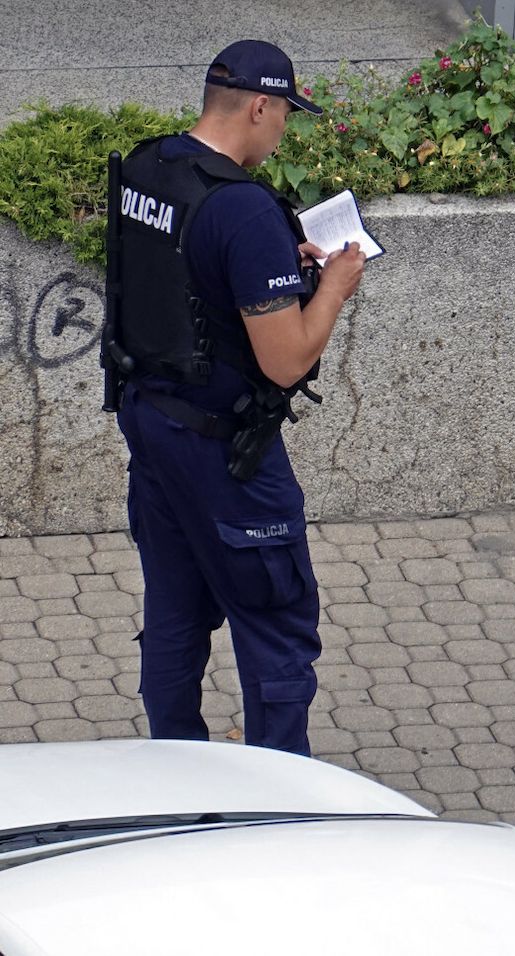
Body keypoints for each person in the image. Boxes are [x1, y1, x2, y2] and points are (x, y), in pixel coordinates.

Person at [106, 40, 366, 756]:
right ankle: (278, 797)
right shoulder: (244, 210)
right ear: (259, 106)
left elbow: (189, 278)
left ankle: (175, 763)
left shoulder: (148, 166)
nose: (285, 129)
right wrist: (335, 289)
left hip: (152, 423)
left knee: (175, 612)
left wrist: (282, 266)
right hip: (225, 454)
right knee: (276, 624)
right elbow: (284, 362)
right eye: (285, 114)